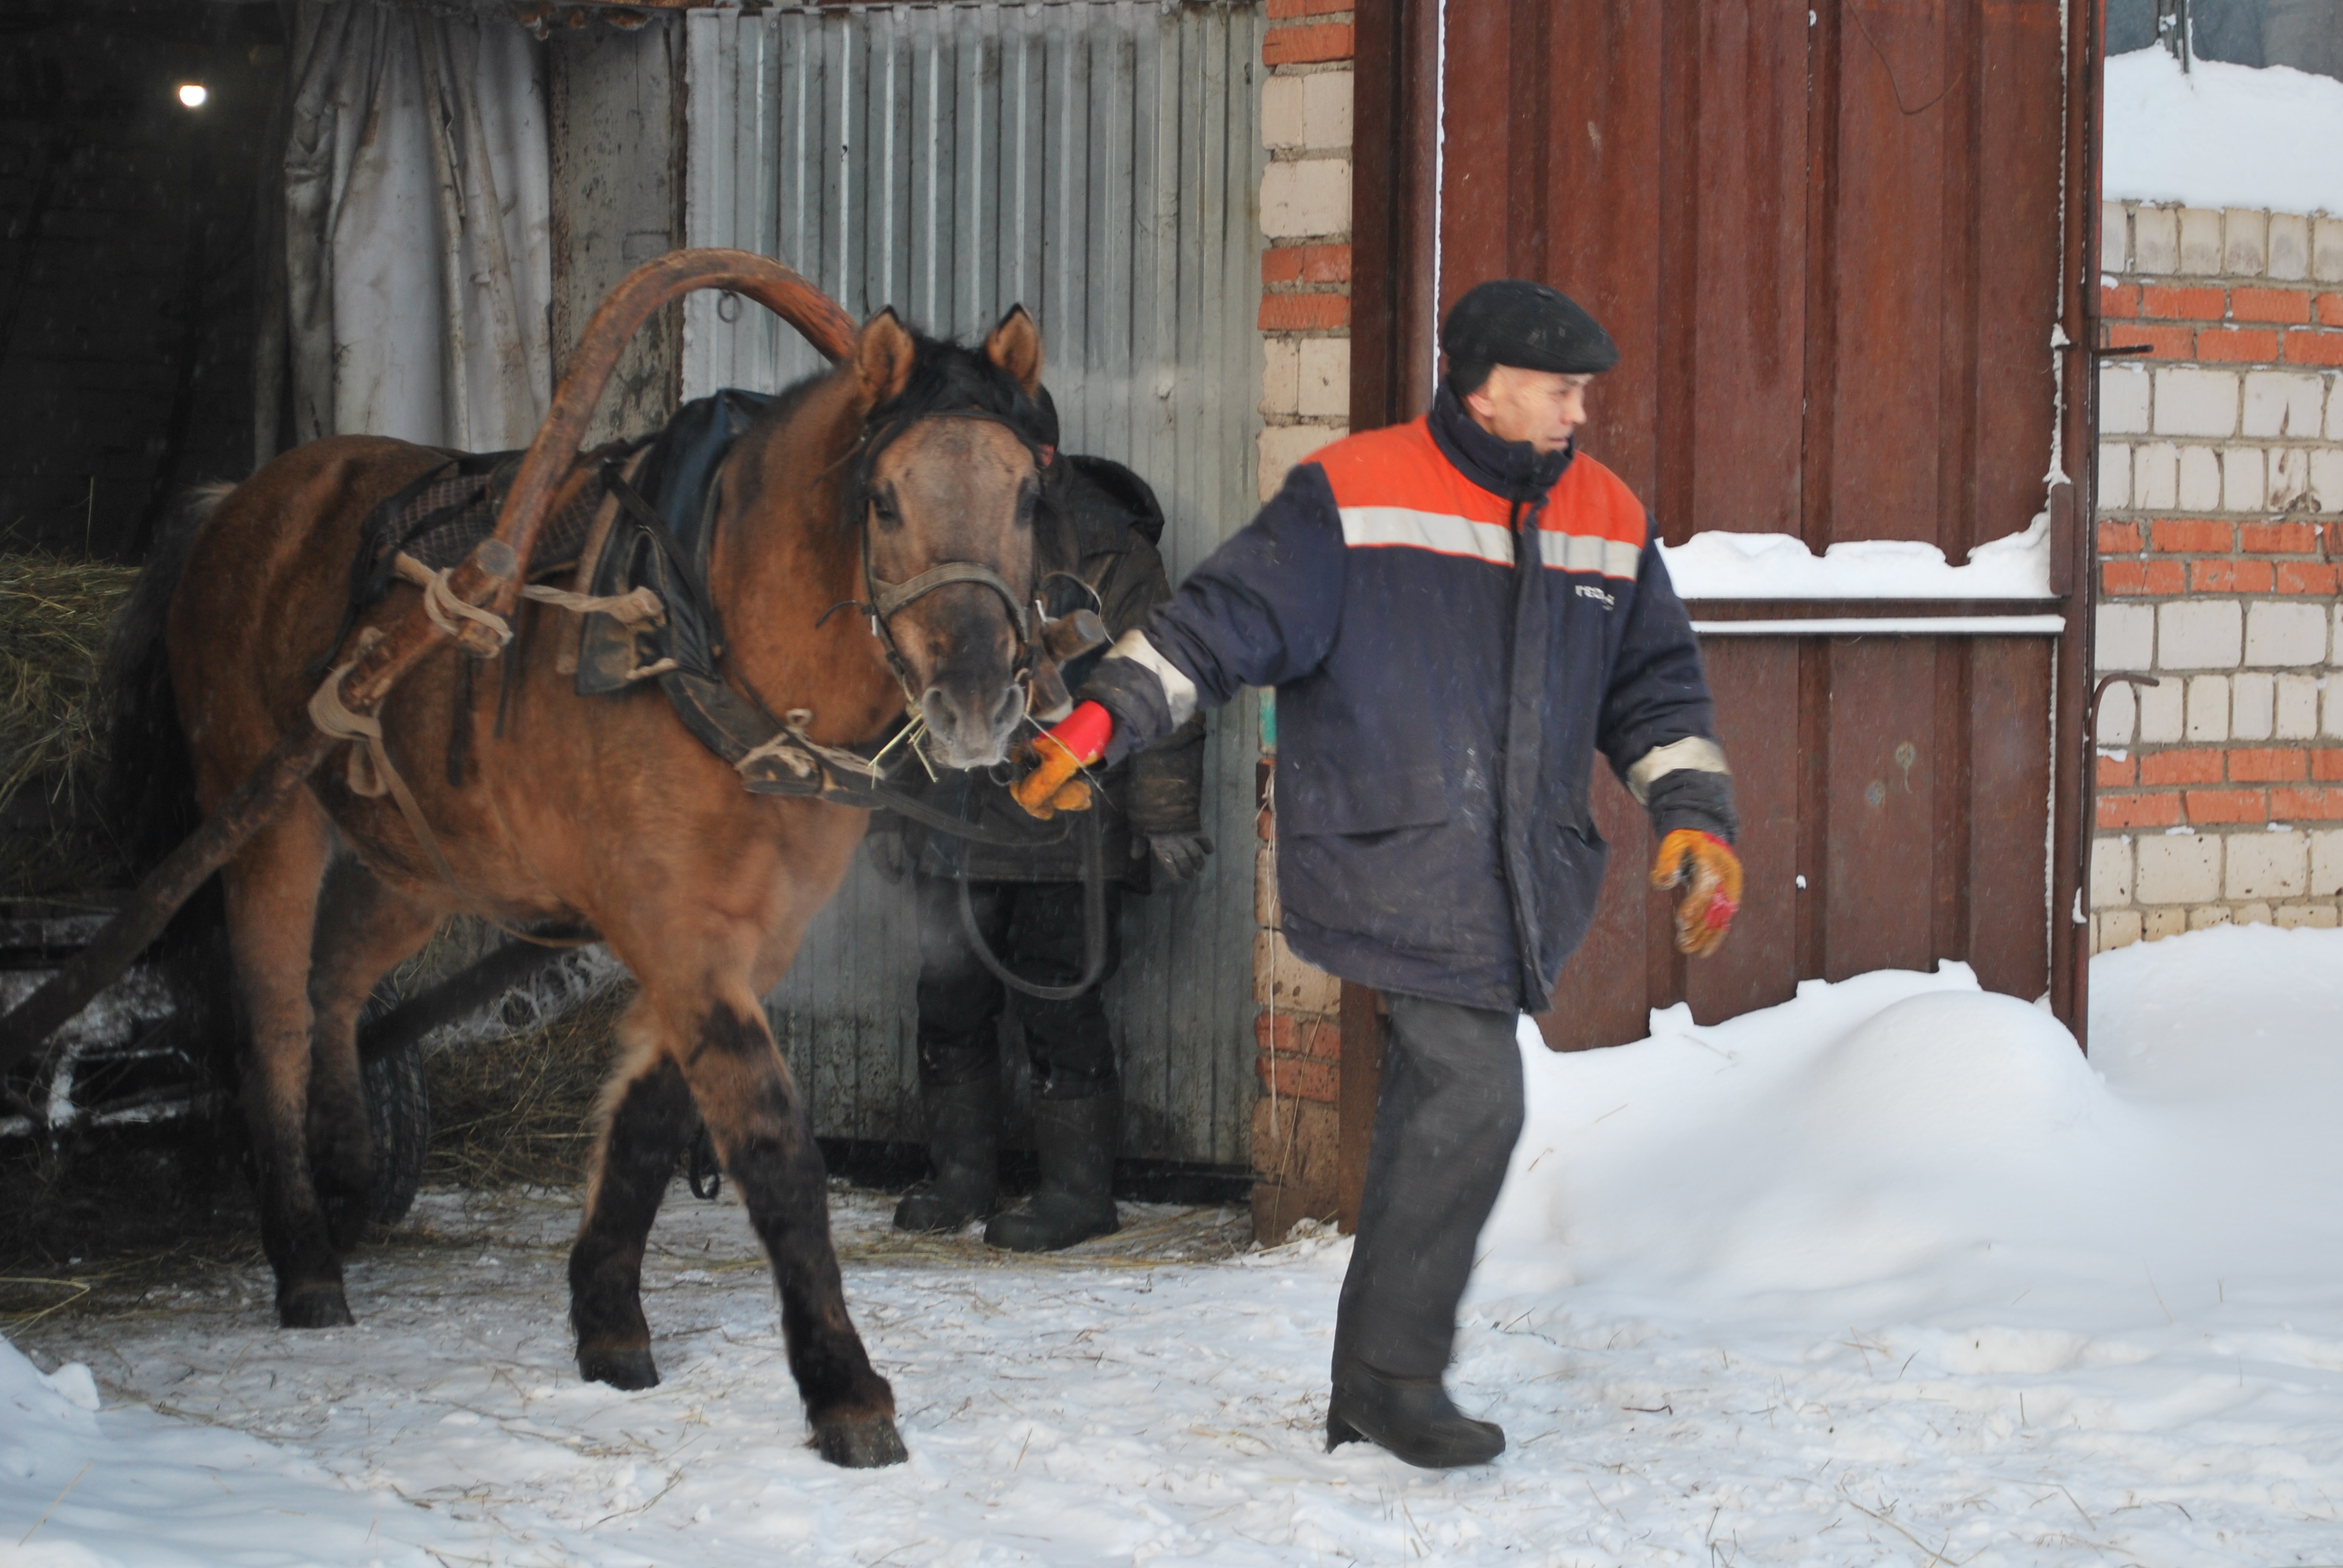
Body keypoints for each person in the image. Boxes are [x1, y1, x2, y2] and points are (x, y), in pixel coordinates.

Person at [1012, 280, 1743, 1466]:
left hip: (1516, 871)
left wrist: (1692, 815)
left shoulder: (1606, 516)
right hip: (1394, 855)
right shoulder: (1354, 493)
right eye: (1559, 390)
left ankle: (1369, 1384)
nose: (1578, 413)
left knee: (1433, 1105)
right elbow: (1217, 625)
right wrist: (1105, 721)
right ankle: (1400, 1380)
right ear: (1482, 383)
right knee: (1475, 1094)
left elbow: (1654, 688)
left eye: (1581, 393)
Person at [868, 403, 1211, 1253]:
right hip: (952, 817)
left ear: (1042, 457)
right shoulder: (939, 545)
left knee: (1060, 1006)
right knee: (949, 1001)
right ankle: (960, 1179)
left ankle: (1077, 1193)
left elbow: (1164, 685)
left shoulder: (1113, 547)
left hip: (1071, 826)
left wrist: (1165, 817)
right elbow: (890, 678)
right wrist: (886, 809)